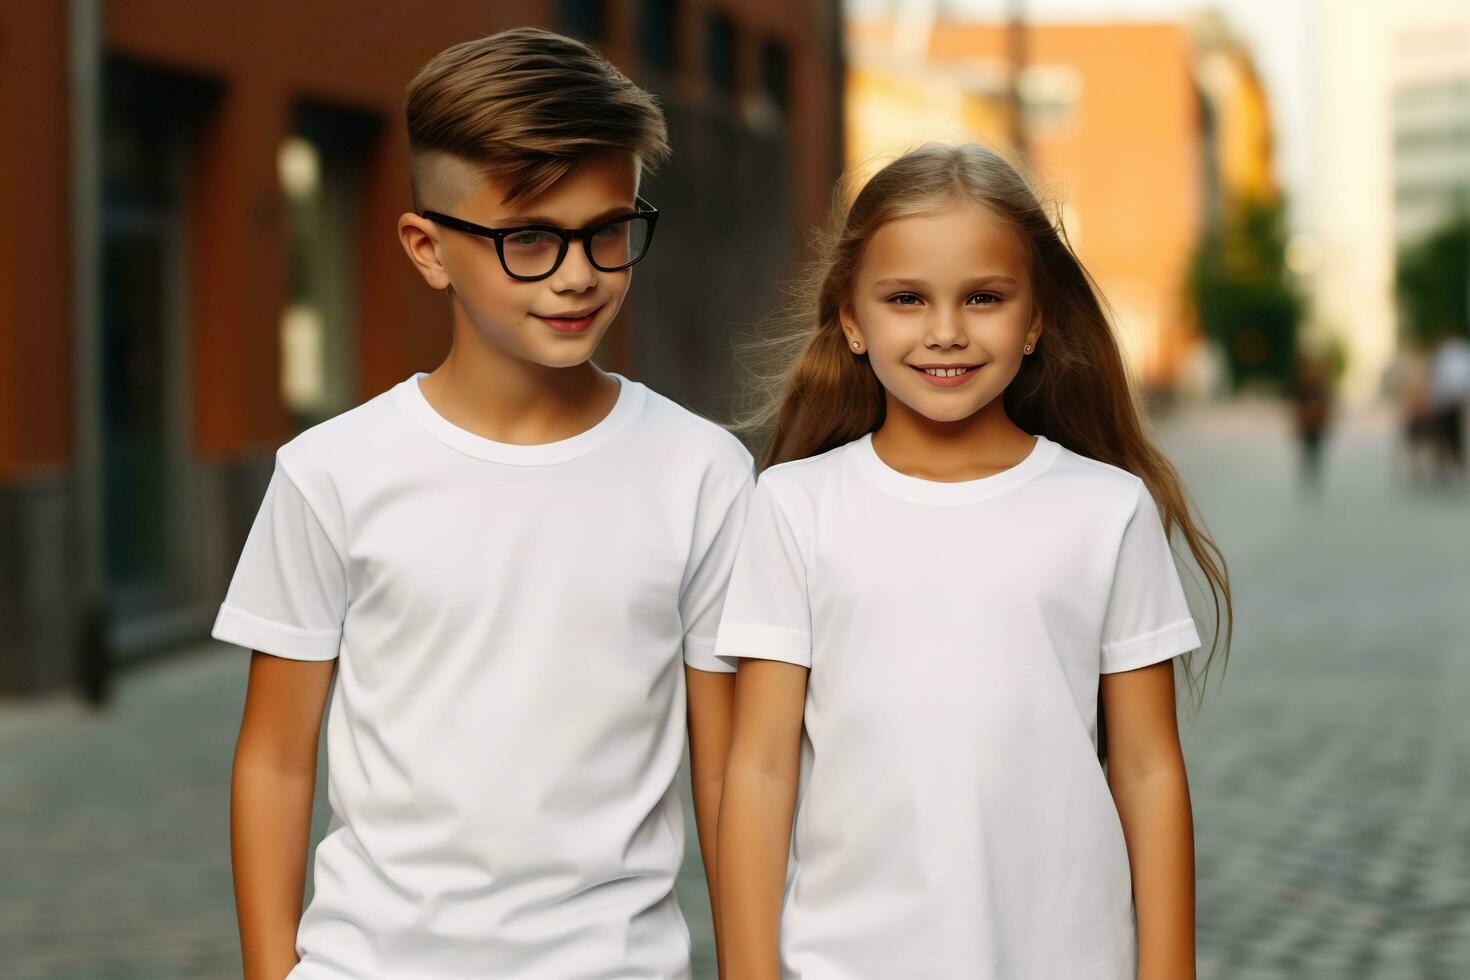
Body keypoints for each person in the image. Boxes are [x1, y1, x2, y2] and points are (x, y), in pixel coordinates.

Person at [216, 28, 752, 980]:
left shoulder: (702, 471)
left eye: (608, 230)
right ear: (428, 248)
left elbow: (725, 771)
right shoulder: (332, 472)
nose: (580, 272)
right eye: (532, 239)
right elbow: (276, 758)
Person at [714, 143, 1233, 979]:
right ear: (851, 318)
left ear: (1034, 320)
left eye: (984, 298)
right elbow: (762, 767)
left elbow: (1147, 768)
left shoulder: (1106, 510)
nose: (946, 331)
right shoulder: (793, 506)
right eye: (907, 299)